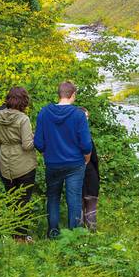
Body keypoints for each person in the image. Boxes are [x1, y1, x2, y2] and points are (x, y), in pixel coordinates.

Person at [33, 80, 92, 238]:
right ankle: (73, 236)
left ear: (59, 94)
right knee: (74, 199)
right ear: (72, 95)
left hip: (53, 163)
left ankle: (53, 232)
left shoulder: (44, 113)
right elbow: (86, 144)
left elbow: (38, 142)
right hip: (75, 164)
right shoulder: (78, 115)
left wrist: (46, 153)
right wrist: (86, 159)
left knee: (53, 197)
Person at [0, 87, 37, 207]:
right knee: (23, 203)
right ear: (24, 101)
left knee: (11, 202)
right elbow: (27, 145)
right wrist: (36, 137)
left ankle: (10, 225)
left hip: (5, 162)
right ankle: (21, 226)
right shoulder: (23, 119)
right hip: (24, 165)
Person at [79, 107, 101, 232]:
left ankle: (83, 231)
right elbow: (93, 158)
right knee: (89, 203)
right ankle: (90, 231)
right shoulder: (85, 135)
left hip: (85, 174)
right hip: (86, 172)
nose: (87, 120)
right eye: (85, 117)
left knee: (84, 203)